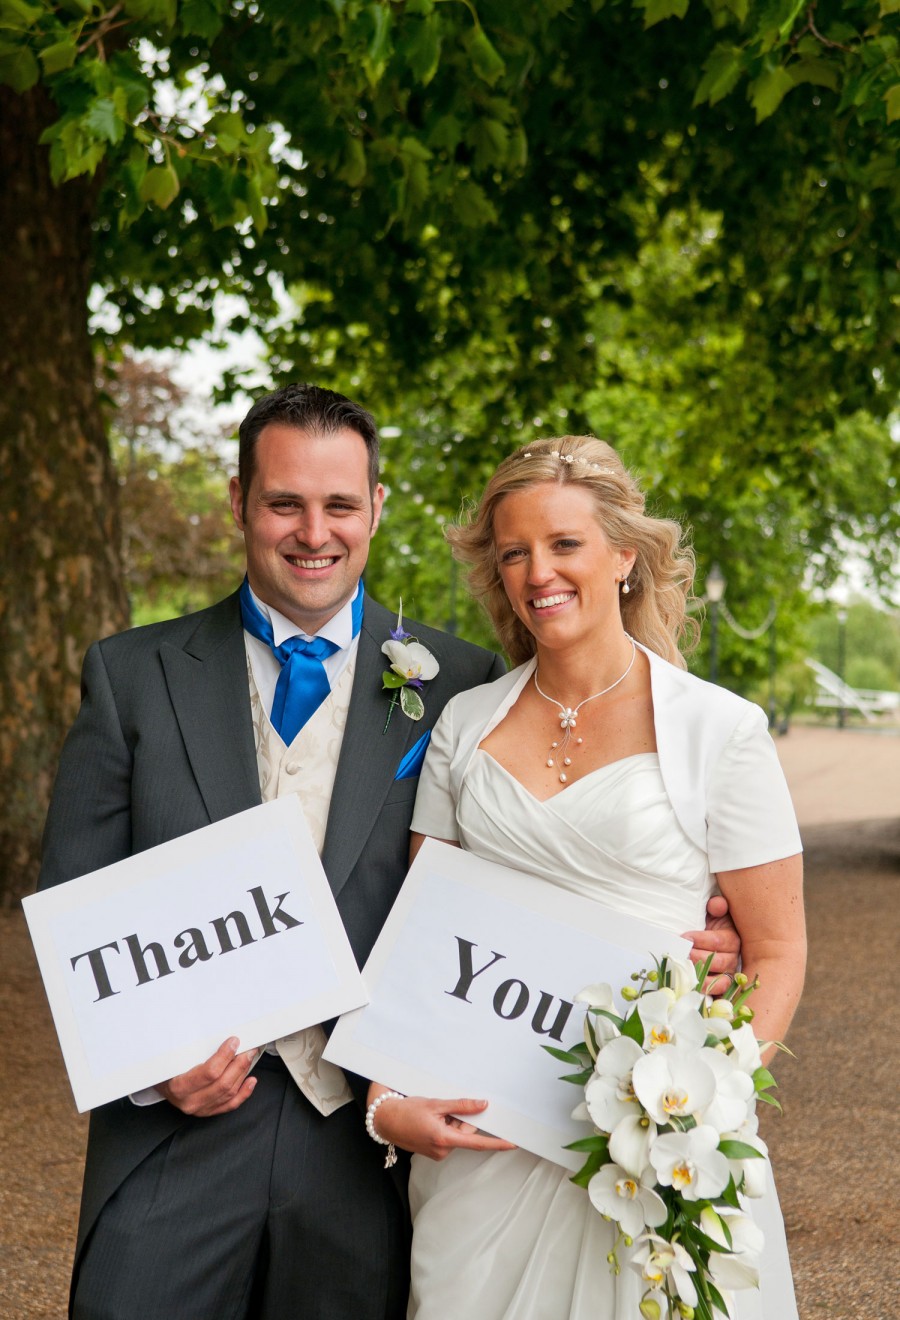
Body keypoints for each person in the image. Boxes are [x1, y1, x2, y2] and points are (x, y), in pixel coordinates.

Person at [37, 384, 508, 1320]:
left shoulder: (463, 683)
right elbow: (72, 911)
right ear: (239, 501)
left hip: (363, 1147)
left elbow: (516, 881)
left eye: (340, 505)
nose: (314, 533)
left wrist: (691, 932)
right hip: (175, 1139)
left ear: (377, 507)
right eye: (285, 502)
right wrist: (154, 1068)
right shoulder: (131, 676)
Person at [366, 435, 807, 1319]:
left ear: (624, 556)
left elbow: (776, 952)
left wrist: (698, 1116)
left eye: (564, 543)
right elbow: (424, 940)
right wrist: (386, 1101)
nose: (539, 573)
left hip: (655, 1154)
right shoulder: (463, 726)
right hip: (485, 1148)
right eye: (514, 552)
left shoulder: (720, 732)